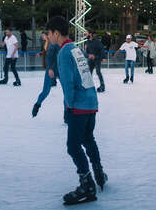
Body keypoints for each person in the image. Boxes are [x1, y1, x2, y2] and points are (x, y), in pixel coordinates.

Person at [49, 16, 107, 204]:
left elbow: (67, 83)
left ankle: (87, 184)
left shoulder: (64, 52)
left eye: (48, 34)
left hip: (79, 105)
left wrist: (69, 106)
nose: (48, 37)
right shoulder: (77, 49)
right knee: (88, 138)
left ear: (56, 33)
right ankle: (98, 172)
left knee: (73, 146)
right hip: (91, 102)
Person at [33, 32, 61, 117]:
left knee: (66, 91)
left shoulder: (54, 44)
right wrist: (41, 53)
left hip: (55, 69)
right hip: (49, 69)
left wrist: (52, 68)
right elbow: (46, 53)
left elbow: (56, 56)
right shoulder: (46, 43)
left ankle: (67, 114)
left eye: (44, 35)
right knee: (46, 91)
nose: (42, 37)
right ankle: (37, 104)